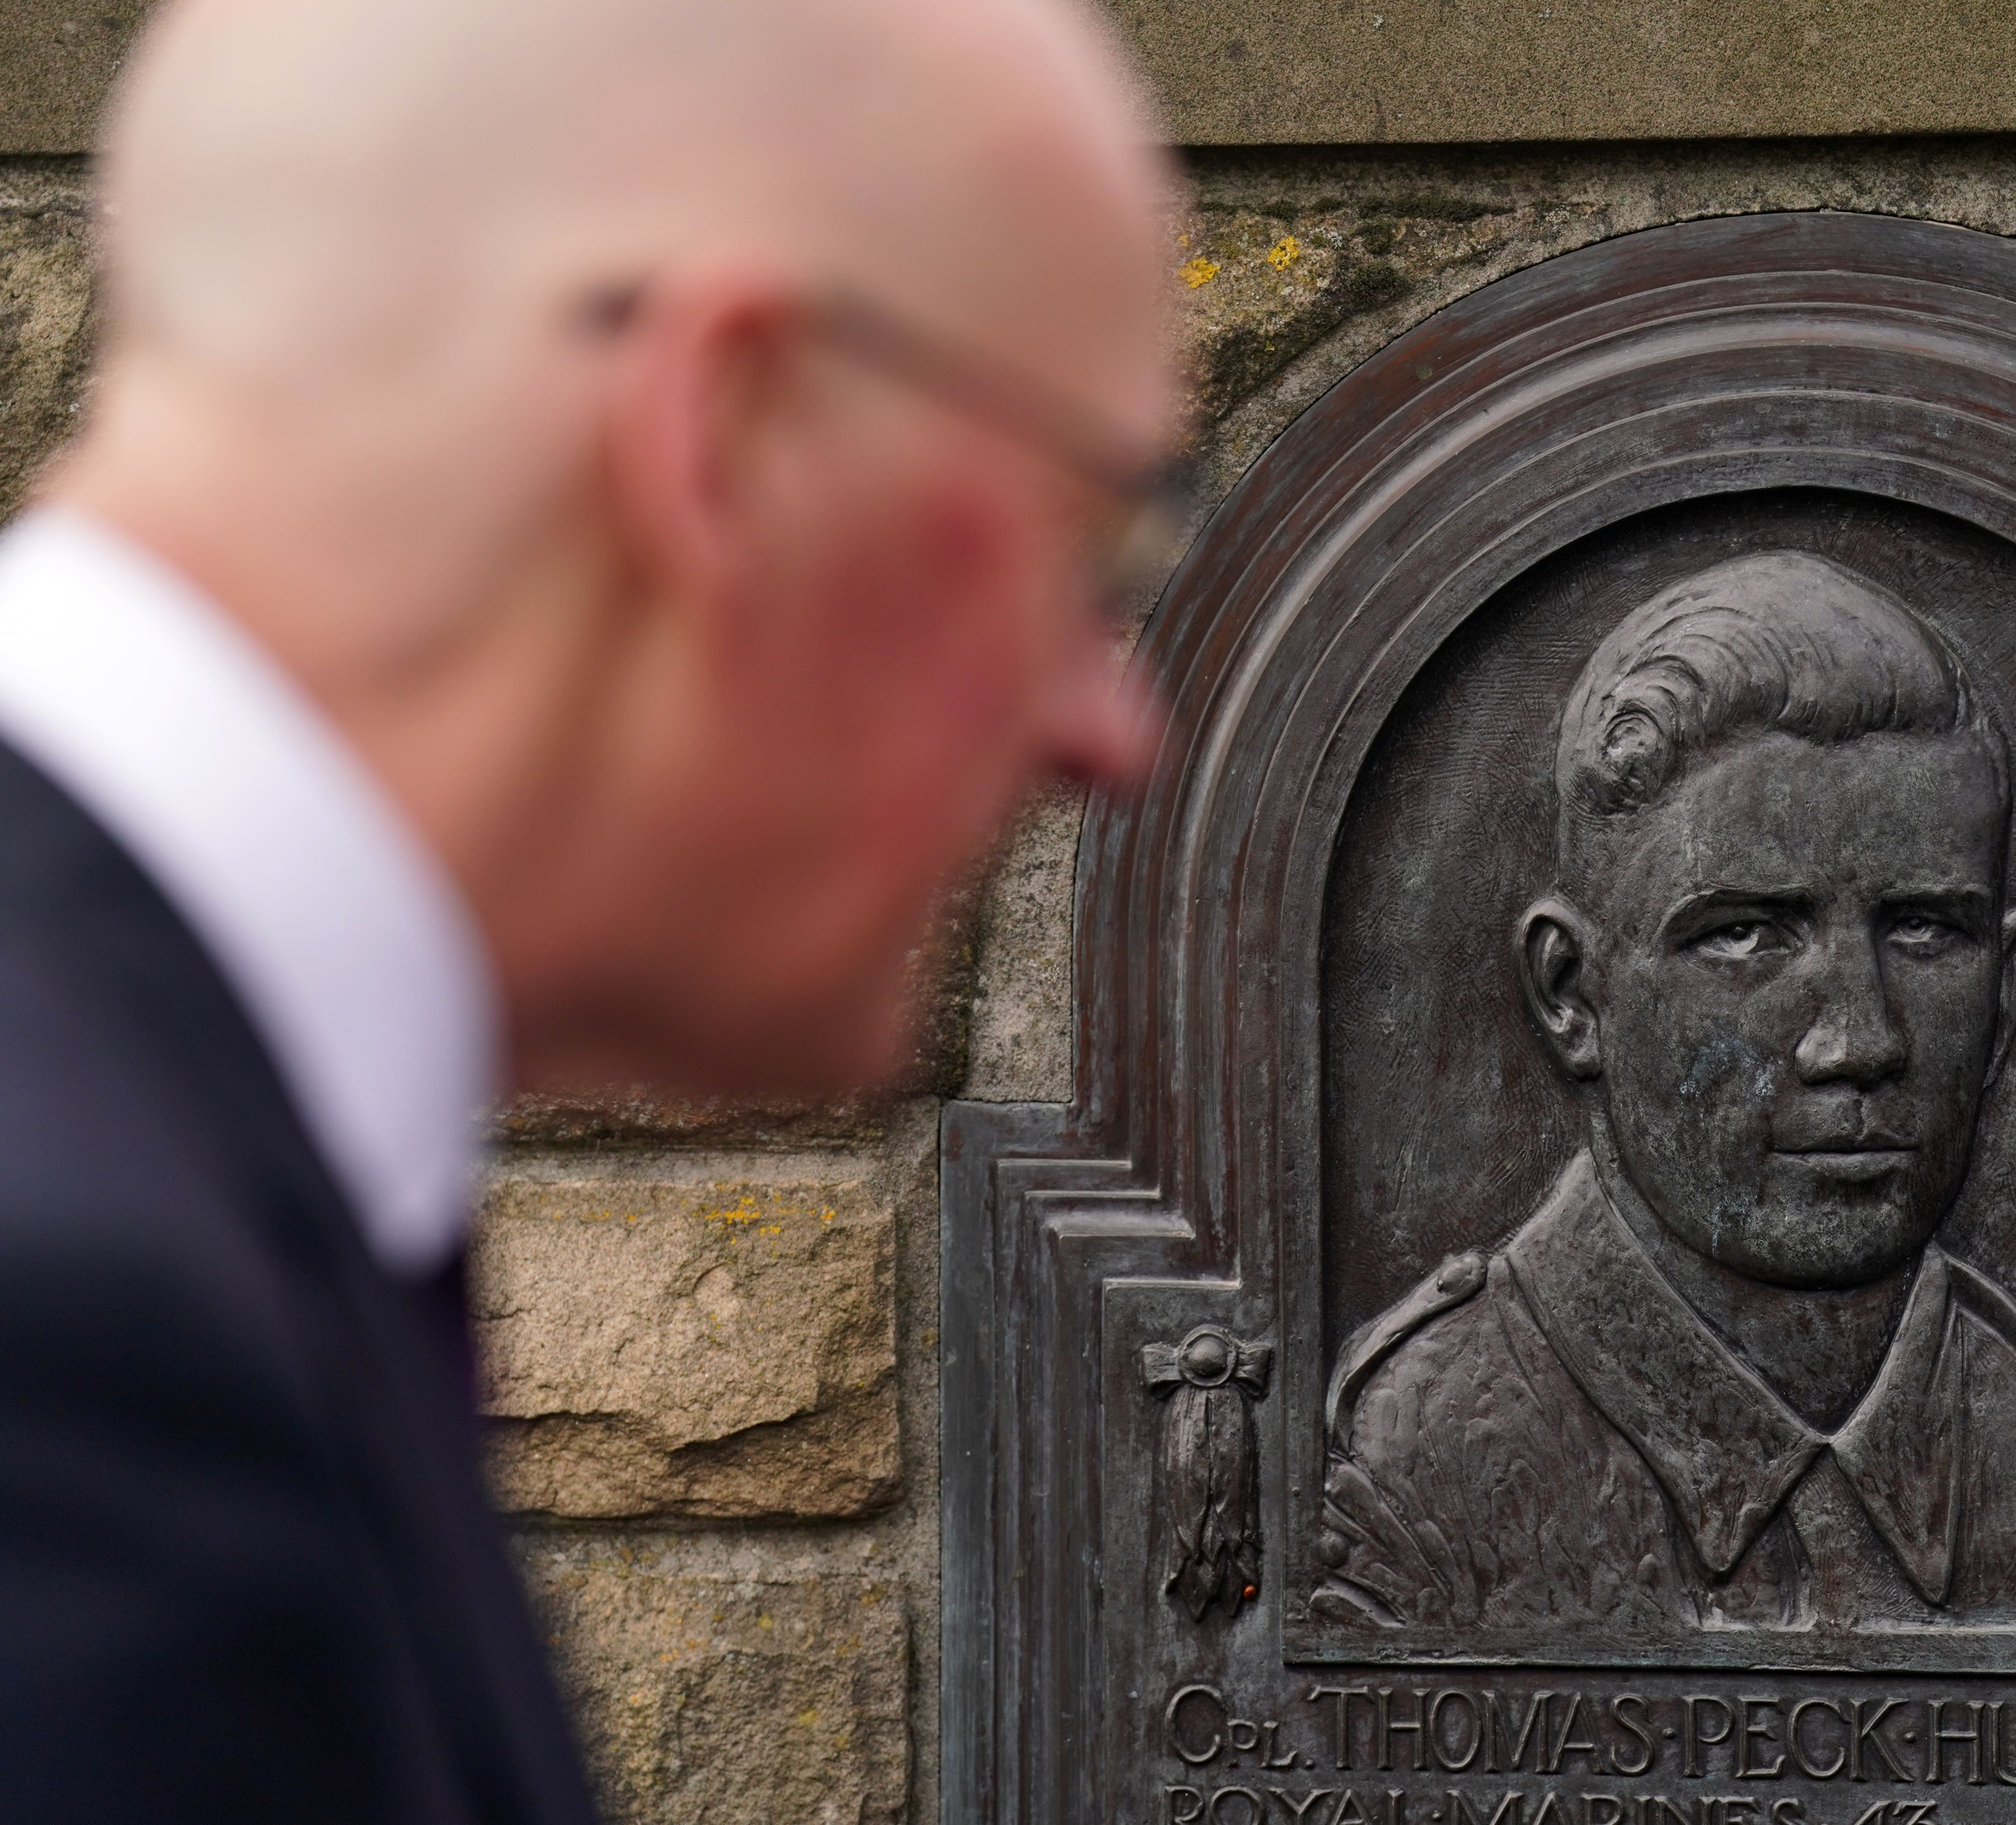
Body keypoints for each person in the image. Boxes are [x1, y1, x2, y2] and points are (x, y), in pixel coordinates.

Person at [0, 0, 1175, 1807]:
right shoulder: (73, 1355)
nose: (1112, 724)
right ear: (725, 430)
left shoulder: (171, 1171)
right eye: (1078, 538)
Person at [1312, 552, 2016, 1635]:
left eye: (1923, 930)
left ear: (2006, 998)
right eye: (1743, 934)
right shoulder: (1394, 1488)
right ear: (1570, 992)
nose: (1856, 1040)